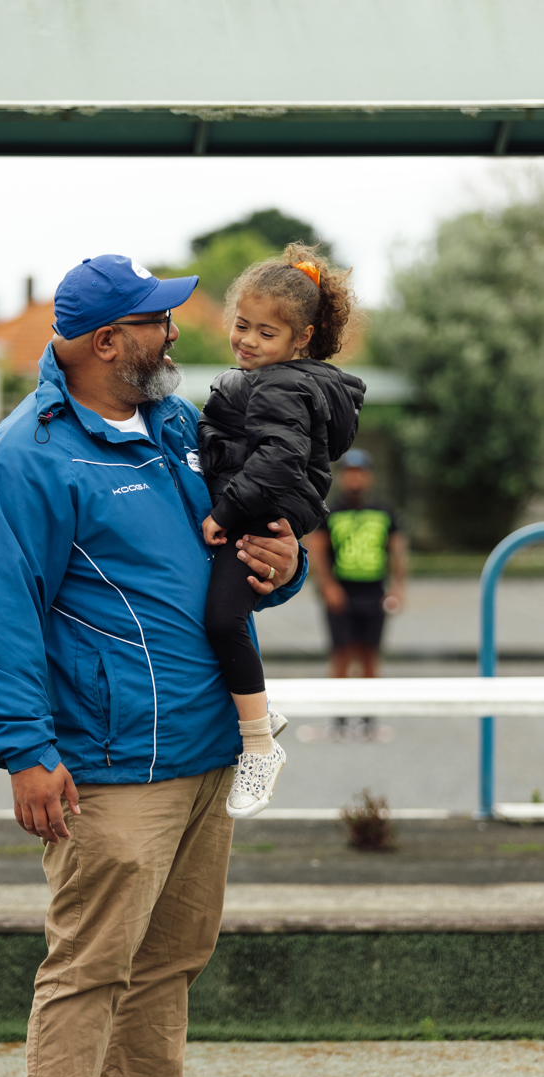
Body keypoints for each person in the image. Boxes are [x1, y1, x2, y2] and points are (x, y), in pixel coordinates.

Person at [0, 254, 306, 1077]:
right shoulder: (26, 458)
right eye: (156, 320)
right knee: (89, 976)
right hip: (111, 771)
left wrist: (280, 564)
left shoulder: (180, 426)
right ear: (108, 342)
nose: (176, 330)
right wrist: (25, 752)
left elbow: (232, 572)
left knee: (167, 968)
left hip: (209, 751)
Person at [198, 243, 366, 818]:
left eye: (265, 334)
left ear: (302, 338)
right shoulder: (291, 381)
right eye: (241, 325)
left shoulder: (279, 385)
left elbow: (277, 461)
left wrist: (223, 512)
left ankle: (259, 744)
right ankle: (258, 717)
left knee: (222, 617)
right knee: (224, 615)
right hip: (268, 510)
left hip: (258, 513)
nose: (247, 341)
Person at [306, 447, 407, 737]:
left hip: (374, 591)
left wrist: (397, 588)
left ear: (369, 477)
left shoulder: (385, 512)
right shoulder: (329, 512)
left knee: (370, 655)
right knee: (341, 654)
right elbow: (318, 551)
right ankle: (338, 720)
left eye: (360, 473)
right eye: (350, 473)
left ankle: (367, 719)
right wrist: (327, 586)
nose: (355, 479)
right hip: (341, 592)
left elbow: (398, 551)